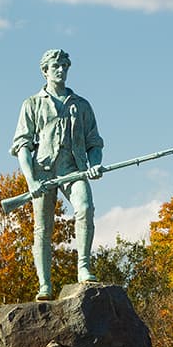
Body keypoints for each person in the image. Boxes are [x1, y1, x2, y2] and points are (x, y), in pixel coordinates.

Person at [10, 48, 104, 300]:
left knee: (85, 207)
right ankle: (45, 285)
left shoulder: (81, 105)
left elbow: (94, 142)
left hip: (73, 168)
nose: (61, 70)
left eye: (65, 66)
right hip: (43, 172)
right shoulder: (31, 104)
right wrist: (31, 181)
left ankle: (84, 267)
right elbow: (22, 146)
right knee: (43, 228)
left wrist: (95, 163)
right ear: (45, 71)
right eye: (56, 66)